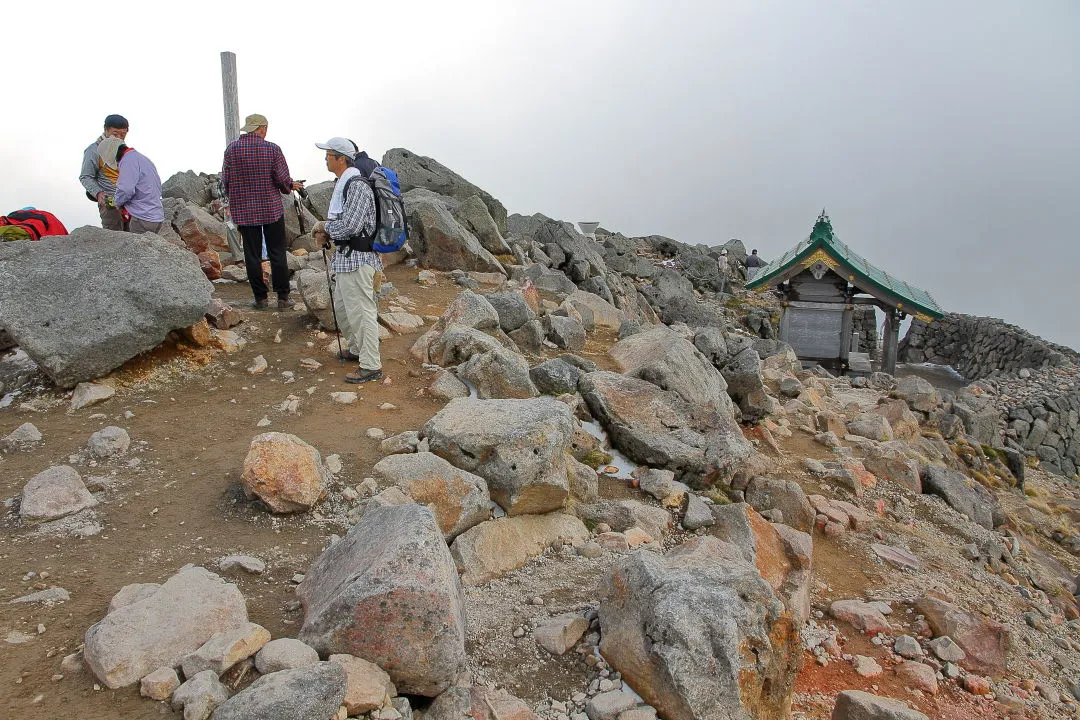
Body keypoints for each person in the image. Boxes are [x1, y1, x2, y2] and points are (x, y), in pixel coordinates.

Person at [311, 137, 382, 385]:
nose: (325, 158)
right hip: (345, 258)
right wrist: (327, 230)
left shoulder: (357, 185)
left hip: (359, 259)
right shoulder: (344, 184)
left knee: (361, 312)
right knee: (343, 309)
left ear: (342, 158)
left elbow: (352, 225)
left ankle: (371, 365)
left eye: (329, 154)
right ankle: (356, 350)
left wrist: (325, 228)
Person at [220, 113, 304, 309]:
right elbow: (282, 179)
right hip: (271, 209)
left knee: (252, 255)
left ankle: (261, 298)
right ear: (262, 128)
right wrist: (290, 186)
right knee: (277, 252)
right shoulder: (272, 149)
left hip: (245, 211)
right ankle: (283, 298)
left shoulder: (231, 150)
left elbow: (225, 180)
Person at [103, 138, 164, 234]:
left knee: (138, 248)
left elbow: (125, 190)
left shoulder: (127, 161)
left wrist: (115, 202)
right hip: (156, 216)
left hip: (142, 218)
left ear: (114, 155)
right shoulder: (141, 158)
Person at [79, 114, 129, 230]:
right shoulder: (94, 150)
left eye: (123, 135)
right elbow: (85, 176)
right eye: (115, 134)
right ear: (105, 130)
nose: (119, 138)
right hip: (109, 202)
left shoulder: (124, 150)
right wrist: (98, 194)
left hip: (129, 201)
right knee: (114, 237)